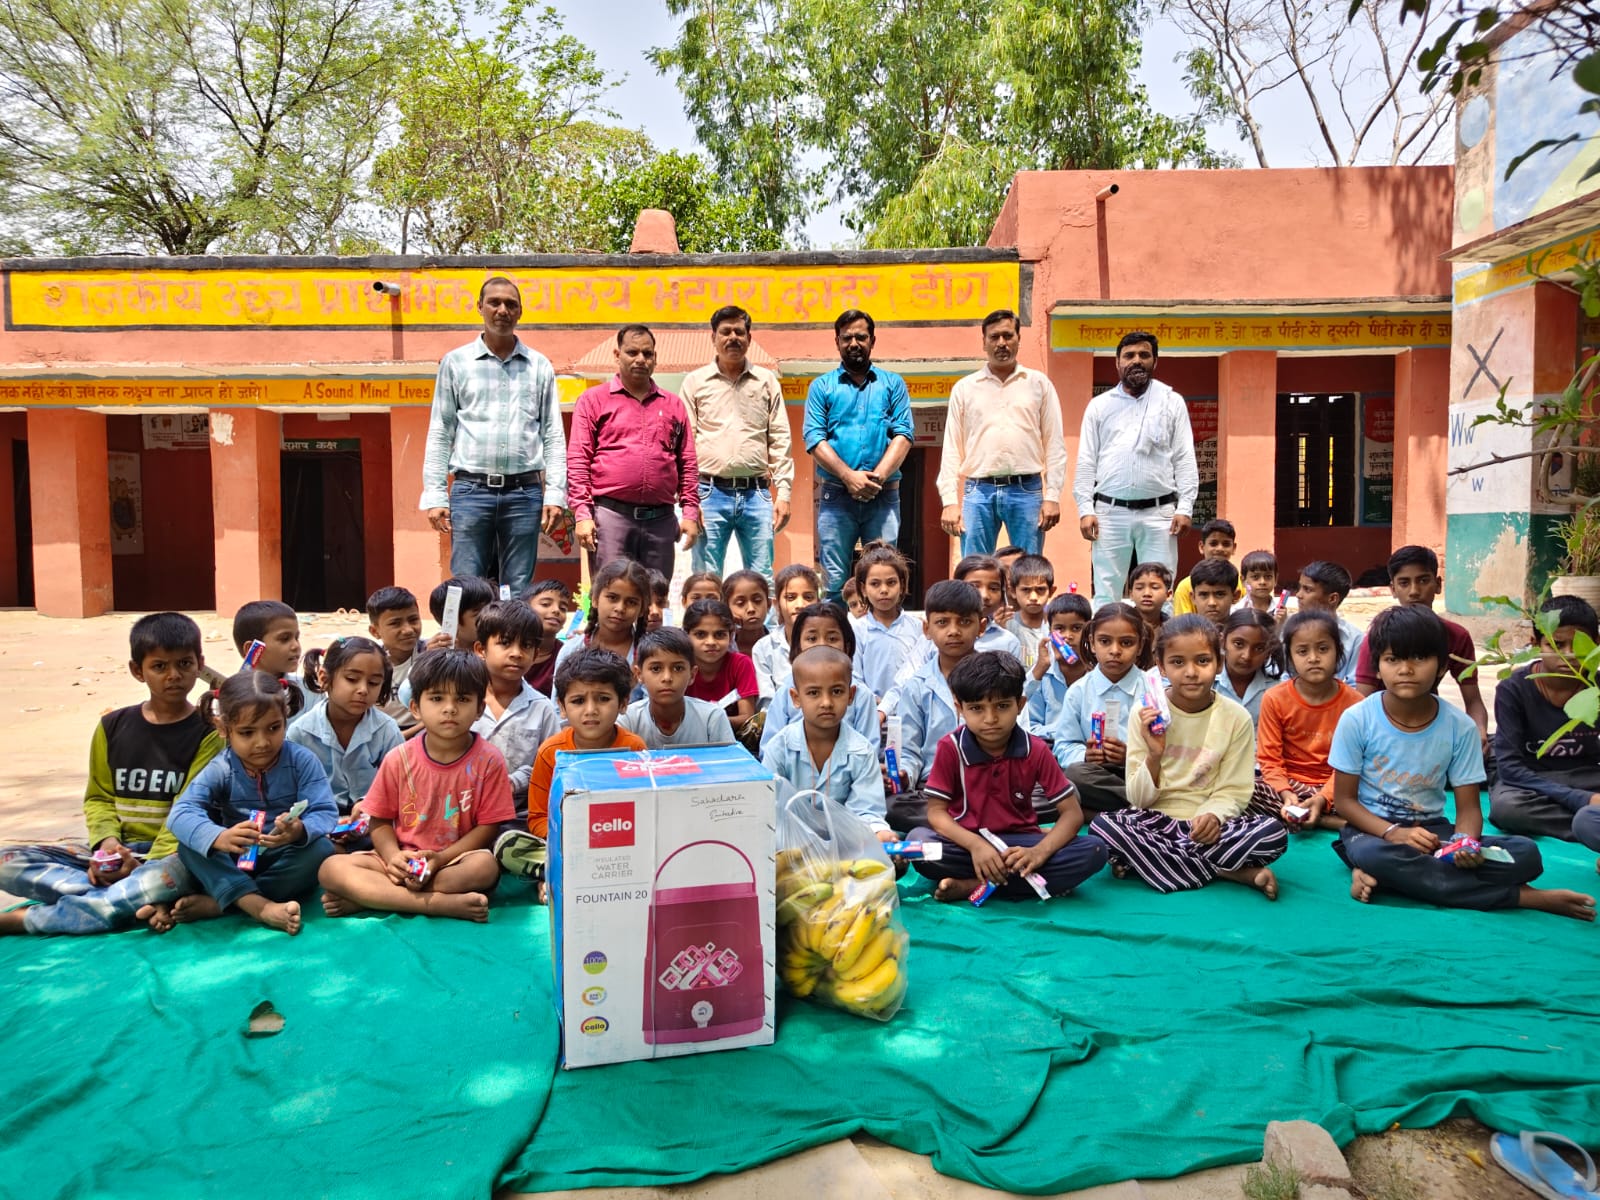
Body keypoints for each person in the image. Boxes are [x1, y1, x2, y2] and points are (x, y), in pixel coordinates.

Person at [1329, 606, 1593, 920]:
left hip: (1435, 833)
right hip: (1372, 832)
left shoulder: (1460, 726)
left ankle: (1391, 879)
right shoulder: (1357, 719)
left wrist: (1464, 842)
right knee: (1375, 854)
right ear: (1377, 666)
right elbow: (1345, 801)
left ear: (1442, 666)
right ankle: (1522, 897)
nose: (1405, 669)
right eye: (1393, 659)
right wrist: (1393, 833)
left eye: (1419, 658)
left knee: (1526, 855)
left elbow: (1468, 809)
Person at [0, 613, 222, 936]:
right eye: (160, 666)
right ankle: (124, 902)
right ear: (137, 671)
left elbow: (187, 811)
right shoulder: (112, 726)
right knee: (7, 862)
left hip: (169, 857)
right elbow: (99, 797)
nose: (174, 675)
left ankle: (27, 920)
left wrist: (140, 865)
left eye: (184, 664)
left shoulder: (209, 734)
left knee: (166, 879)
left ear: (199, 664)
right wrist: (108, 849)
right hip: (114, 852)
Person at [1089, 615, 1287, 897]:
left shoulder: (1236, 718)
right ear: (1161, 666)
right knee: (1104, 828)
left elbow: (1234, 789)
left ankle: (1149, 862)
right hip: (1153, 821)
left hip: (1209, 827)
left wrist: (1214, 816)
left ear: (1218, 663)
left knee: (1272, 832)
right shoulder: (1145, 715)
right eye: (1178, 662)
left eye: (1202, 661)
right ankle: (1225, 871)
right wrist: (1154, 756)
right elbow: (1138, 799)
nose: (1191, 672)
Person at [317, 650, 512, 923]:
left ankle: (373, 897)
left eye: (463, 699)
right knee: (330, 868)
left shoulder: (489, 760)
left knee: (485, 868)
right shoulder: (399, 758)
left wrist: (441, 859)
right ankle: (437, 904)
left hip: (452, 861)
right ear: (415, 708)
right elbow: (380, 820)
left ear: (480, 708)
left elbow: (488, 827)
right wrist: (393, 856)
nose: (449, 708)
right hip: (399, 860)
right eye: (436, 698)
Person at [907, 652, 1108, 902]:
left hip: (1021, 843)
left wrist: (1038, 853)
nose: (990, 719)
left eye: (1002, 706)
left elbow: (1072, 814)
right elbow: (936, 813)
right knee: (918, 844)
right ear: (960, 709)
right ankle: (1025, 883)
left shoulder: (1036, 749)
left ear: (1020, 704)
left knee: (1095, 850)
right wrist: (976, 845)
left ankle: (974, 885)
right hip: (967, 842)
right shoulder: (950, 747)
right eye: (977, 708)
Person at [420, 276, 568, 595]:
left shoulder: (539, 366)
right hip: (471, 490)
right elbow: (440, 431)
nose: (502, 310)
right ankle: (461, 645)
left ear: (520, 313)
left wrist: (556, 494)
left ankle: (511, 644)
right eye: (495, 302)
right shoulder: (456, 363)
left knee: (517, 589)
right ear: (480, 307)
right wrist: (434, 494)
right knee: (465, 586)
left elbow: (553, 435)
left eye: (510, 304)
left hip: (524, 492)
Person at [167, 672, 336, 935]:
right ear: (224, 729)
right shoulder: (222, 768)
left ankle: (228, 901)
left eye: (273, 728)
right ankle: (259, 906)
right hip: (235, 858)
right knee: (188, 846)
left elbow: (325, 811)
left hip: (281, 856)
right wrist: (219, 837)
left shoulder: (302, 761)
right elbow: (180, 813)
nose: (262, 742)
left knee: (322, 848)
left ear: (285, 720)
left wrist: (300, 831)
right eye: (247, 732)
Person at [1073, 331, 1198, 604]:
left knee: (1160, 589)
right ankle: (1104, 644)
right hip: (1109, 512)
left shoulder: (1171, 401)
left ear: (1156, 361)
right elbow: (1086, 461)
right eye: (1129, 356)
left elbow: (1184, 457)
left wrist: (1185, 507)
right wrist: (1085, 509)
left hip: (1160, 513)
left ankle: (1161, 646)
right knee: (1107, 591)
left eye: (1144, 355)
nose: (1136, 361)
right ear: (1117, 363)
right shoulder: (1100, 406)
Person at [567, 324, 701, 578]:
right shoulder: (593, 400)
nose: (641, 359)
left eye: (647, 354)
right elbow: (578, 459)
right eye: (632, 352)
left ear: (655, 358)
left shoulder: (673, 405)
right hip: (610, 518)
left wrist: (690, 512)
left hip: (661, 521)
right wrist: (582, 513)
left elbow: (687, 462)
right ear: (617, 355)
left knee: (654, 602)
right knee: (611, 598)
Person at [936, 309, 1067, 556]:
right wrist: (950, 501)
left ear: (1019, 338)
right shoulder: (965, 389)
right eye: (994, 337)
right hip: (978, 492)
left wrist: (1052, 496)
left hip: (1027, 490)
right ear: (983, 342)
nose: (1001, 343)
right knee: (975, 571)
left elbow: (1055, 445)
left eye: (1008, 336)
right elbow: (952, 448)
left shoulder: (1038, 384)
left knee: (1028, 573)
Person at [804, 309, 914, 603]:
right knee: (834, 582)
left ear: (872, 340)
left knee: (884, 579)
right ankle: (835, 643)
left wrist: (875, 478)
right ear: (837, 341)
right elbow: (814, 438)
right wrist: (849, 476)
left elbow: (903, 435)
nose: (854, 343)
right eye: (847, 337)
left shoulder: (893, 384)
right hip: (836, 497)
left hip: (884, 496)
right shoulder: (822, 387)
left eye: (861, 337)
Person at [681, 305, 793, 578]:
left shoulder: (766, 381)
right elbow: (684, 445)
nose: (733, 338)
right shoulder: (695, 382)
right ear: (713, 337)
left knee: (762, 577)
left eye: (739, 332)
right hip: (707, 493)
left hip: (757, 494)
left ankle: (761, 623)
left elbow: (780, 438)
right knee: (706, 578)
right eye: (725, 332)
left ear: (749, 338)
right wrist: (689, 500)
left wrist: (785, 493)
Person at [1487, 595, 1600, 845]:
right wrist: (1583, 800)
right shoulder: (1512, 690)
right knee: (1508, 810)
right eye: (1556, 645)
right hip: (1531, 781)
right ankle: (1590, 822)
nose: (1569, 655)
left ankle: (1590, 821)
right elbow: (1510, 769)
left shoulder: (1596, 688)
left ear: (1596, 644)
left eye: (1579, 646)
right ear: (1535, 644)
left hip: (1587, 776)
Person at [1353, 546, 1489, 748]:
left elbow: (1473, 699)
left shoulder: (1457, 637)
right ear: (1393, 589)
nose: (1414, 592)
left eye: (1423, 580)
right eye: (1404, 583)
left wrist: (1480, 732)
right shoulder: (1377, 636)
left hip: (1431, 721)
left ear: (1438, 585)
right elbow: (1361, 701)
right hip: (1382, 726)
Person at [762, 646, 893, 841]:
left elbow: (867, 810)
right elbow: (769, 809)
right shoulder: (780, 748)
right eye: (814, 693)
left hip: (845, 843)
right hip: (790, 843)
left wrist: (877, 832)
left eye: (837, 691)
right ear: (796, 698)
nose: (826, 702)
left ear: (850, 695)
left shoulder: (861, 751)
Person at [887, 581, 985, 831]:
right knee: (890, 806)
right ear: (926, 629)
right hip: (934, 789)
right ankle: (974, 824)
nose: (953, 631)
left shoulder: (995, 677)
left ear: (981, 627)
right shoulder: (917, 686)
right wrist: (904, 774)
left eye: (964, 622)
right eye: (942, 623)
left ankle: (958, 825)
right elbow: (909, 751)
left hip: (989, 785)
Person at [1253, 610, 1362, 829]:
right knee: (1245, 789)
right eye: (1302, 651)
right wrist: (1286, 794)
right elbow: (1269, 758)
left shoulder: (1355, 703)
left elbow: (1352, 766)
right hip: (1288, 785)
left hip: (1336, 787)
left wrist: (1323, 798)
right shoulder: (1275, 698)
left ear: (1338, 651)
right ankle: (1325, 820)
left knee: (1375, 792)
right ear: (1290, 657)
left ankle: (1306, 816)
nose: (1313, 658)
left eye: (1323, 649)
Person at [525, 650, 648, 840]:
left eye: (603, 699)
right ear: (563, 707)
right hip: (566, 842)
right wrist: (571, 840)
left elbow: (644, 807)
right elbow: (538, 817)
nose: (591, 710)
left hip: (622, 838)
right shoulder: (551, 752)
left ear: (623, 703)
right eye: (579, 701)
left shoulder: (634, 748)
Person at [287, 636, 401, 838]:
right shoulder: (301, 733)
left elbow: (401, 786)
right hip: (319, 824)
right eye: (351, 679)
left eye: (374, 682)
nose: (363, 690)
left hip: (377, 824)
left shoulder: (387, 730)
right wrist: (326, 822)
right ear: (324, 678)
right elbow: (293, 794)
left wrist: (370, 805)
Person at [1051, 602, 1152, 817]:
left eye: (1126, 643)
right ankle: (1143, 808)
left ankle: (1110, 811)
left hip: (1142, 771)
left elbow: (1168, 746)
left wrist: (1130, 756)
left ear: (1140, 646)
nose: (1115, 651)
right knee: (1074, 775)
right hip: (1095, 775)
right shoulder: (1079, 691)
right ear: (1092, 644)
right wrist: (1086, 755)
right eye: (1105, 642)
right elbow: (1064, 746)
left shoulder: (1153, 689)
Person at [470, 601, 562, 824]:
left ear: (535, 653)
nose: (516, 653)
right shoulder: (463, 701)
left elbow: (552, 765)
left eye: (526, 646)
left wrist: (512, 783)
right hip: (463, 807)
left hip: (520, 813)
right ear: (481, 649)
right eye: (505, 643)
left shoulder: (542, 709)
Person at [760, 603, 883, 755]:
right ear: (797, 646)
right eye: (812, 638)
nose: (822, 645)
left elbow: (869, 752)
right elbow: (769, 749)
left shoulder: (861, 695)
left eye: (832, 638)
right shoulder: (787, 691)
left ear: (847, 646)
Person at [621, 628, 736, 749]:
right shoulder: (628, 719)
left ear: (692, 675)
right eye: (656, 669)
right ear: (639, 674)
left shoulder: (711, 718)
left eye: (678, 668)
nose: (667, 678)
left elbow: (730, 765)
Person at [550, 559, 651, 686]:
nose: (620, 608)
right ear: (595, 599)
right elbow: (557, 703)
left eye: (631, 602)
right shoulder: (571, 650)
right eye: (612, 598)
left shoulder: (649, 655)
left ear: (642, 609)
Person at [851, 543, 921, 701]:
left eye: (891, 583)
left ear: (902, 586)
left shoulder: (917, 628)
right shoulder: (857, 630)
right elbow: (854, 677)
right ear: (863, 589)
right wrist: (875, 702)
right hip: (870, 711)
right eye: (875, 584)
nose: (883, 590)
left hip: (911, 710)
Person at [1025, 591, 1093, 740]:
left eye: (1076, 628)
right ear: (1050, 632)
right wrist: (1039, 669)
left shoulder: (1098, 674)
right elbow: (1029, 726)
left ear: (1089, 631)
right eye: (1059, 629)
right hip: (1049, 748)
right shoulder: (1042, 675)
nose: (1067, 636)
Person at [682, 598, 759, 727]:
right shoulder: (681, 666)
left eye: (719, 635)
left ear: (731, 636)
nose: (711, 642)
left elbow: (747, 718)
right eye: (701, 634)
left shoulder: (741, 664)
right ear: (686, 635)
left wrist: (708, 720)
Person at [232, 600, 311, 719]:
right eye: (284, 639)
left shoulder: (310, 692)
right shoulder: (229, 697)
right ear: (252, 649)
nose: (296, 646)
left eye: (296, 637)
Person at [754, 565, 821, 701]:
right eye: (790, 598)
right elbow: (767, 703)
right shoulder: (764, 648)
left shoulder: (830, 641)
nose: (800, 604)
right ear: (776, 603)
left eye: (808, 597)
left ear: (818, 601)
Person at [1294, 560, 1364, 686]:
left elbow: (1355, 684)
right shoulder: (1288, 631)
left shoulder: (1355, 639)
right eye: (1300, 587)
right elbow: (1281, 676)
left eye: (1307, 590)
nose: (1299, 595)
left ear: (1332, 598)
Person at [367, 586, 422, 735]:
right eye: (395, 623)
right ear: (375, 631)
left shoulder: (430, 653)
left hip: (424, 731)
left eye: (413, 619)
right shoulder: (368, 662)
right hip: (380, 734)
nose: (408, 629)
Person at [1214, 608, 1277, 725]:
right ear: (1223, 641)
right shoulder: (1208, 684)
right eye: (1238, 644)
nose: (1247, 656)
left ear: (1269, 651)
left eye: (1259, 648)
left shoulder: (1276, 689)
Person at [1171, 520, 1242, 614]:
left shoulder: (1242, 584)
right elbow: (1183, 625)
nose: (1220, 549)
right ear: (1201, 547)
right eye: (1213, 544)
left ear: (1234, 548)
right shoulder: (1185, 587)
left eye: (1226, 544)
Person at [1003, 554, 1055, 672]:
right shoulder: (1006, 625)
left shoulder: (1057, 626)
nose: (1033, 597)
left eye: (1040, 589)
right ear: (1013, 591)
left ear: (1051, 591)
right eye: (1026, 590)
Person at [519, 579, 569, 695]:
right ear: (525, 607)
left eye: (563, 608)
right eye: (546, 604)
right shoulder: (509, 649)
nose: (556, 610)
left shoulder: (567, 656)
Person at [722, 569, 771, 660]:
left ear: (769, 604)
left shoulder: (781, 645)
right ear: (727, 608)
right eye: (740, 603)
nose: (751, 609)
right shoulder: (722, 649)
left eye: (757, 601)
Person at [1188, 558, 1240, 630]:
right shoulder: (1182, 637)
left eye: (1220, 594)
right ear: (1193, 597)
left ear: (1235, 596)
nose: (1212, 603)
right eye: (1204, 595)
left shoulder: (1247, 635)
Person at [1128, 561, 1171, 640]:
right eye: (1139, 588)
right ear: (1131, 594)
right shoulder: (1121, 624)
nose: (1146, 593)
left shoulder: (1173, 629)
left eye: (1155, 587)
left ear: (1168, 595)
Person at [1234, 549, 1281, 614]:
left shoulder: (1280, 611)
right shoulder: (1236, 611)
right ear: (1243, 580)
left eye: (1268, 577)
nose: (1262, 582)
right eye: (1255, 577)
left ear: (1276, 579)